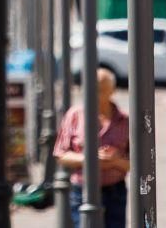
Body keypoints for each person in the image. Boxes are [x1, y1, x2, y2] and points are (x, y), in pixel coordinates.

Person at [53, 68, 130, 228]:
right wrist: (89, 158)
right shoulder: (75, 115)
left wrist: (115, 161)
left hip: (115, 189)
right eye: (91, 89)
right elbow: (60, 154)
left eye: (101, 90)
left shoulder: (124, 120)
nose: (95, 95)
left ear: (112, 91)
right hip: (82, 189)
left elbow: (138, 164)